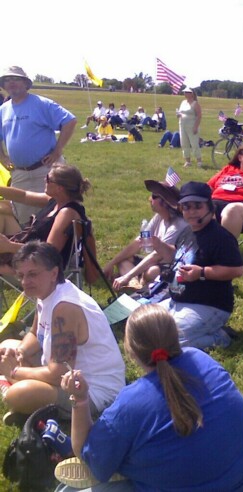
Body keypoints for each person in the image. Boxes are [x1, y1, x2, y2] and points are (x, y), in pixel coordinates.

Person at [55, 304, 243, 492]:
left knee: (66, 490)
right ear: (176, 336)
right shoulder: (202, 359)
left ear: (130, 351)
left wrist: (80, 399)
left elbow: (88, 457)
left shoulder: (130, 404)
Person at [0, 241, 125, 424]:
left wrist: (14, 371)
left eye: (33, 274)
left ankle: (13, 390)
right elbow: (35, 334)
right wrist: (20, 352)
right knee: (6, 346)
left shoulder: (65, 307)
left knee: (17, 395)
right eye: (21, 276)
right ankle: (23, 397)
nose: (25, 282)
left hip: (93, 390)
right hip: (63, 372)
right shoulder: (46, 292)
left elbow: (57, 374)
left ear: (53, 273)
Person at [143, 181, 243, 349]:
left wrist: (202, 273)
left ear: (209, 207)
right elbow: (177, 255)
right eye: (186, 207)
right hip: (175, 301)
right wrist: (158, 245)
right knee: (142, 327)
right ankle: (196, 331)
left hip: (208, 306)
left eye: (198, 206)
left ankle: (220, 337)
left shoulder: (220, 237)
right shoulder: (188, 231)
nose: (191, 211)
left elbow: (237, 270)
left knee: (171, 342)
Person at [0, 66, 77, 224]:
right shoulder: (3, 110)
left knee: (54, 215)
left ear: (26, 83)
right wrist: (2, 157)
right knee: (24, 220)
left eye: (16, 79)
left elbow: (69, 121)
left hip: (46, 170)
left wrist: (57, 151)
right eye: (7, 80)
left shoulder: (42, 104)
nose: (11, 82)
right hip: (19, 173)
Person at [0, 163, 90, 273]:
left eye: (48, 179)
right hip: (23, 251)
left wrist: (9, 246)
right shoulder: (56, 201)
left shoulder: (66, 213)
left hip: (35, 266)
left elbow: (48, 253)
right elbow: (24, 196)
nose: (44, 180)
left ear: (59, 188)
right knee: (3, 215)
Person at [104, 179, 188, 291]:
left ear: (165, 202)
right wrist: (111, 263)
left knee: (152, 272)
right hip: (153, 262)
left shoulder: (177, 226)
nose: (150, 199)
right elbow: (139, 242)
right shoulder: (159, 217)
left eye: (154, 196)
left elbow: (156, 256)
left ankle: (135, 280)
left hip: (168, 267)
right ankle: (135, 283)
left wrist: (127, 276)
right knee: (123, 259)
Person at [177, 88, 203, 168]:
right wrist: (178, 115)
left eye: (188, 92)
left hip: (191, 125)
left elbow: (199, 115)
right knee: (184, 143)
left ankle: (199, 161)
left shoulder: (195, 103)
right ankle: (187, 161)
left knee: (194, 143)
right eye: (185, 92)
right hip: (182, 125)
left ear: (192, 94)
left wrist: (196, 127)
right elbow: (180, 112)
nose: (185, 94)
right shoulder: (183, 102)